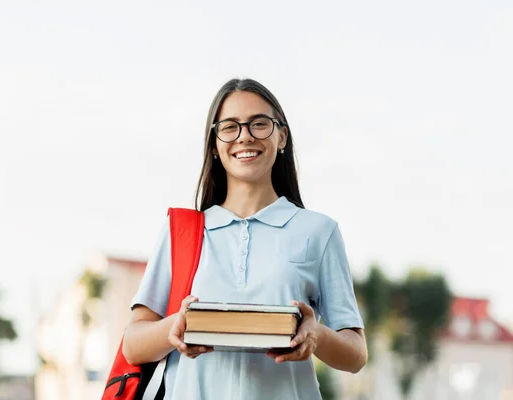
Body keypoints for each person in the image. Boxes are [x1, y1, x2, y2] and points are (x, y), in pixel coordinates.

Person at [123, 78, 367, 400]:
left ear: (282, 136)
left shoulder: (319, 232)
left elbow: (356, 354)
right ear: (214, 143)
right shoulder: (181, 232)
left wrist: (316, 335)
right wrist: (175, 327)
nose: (245, 137)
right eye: (230, 127)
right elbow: (133, 344)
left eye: (259, 124)